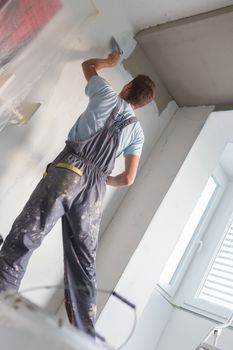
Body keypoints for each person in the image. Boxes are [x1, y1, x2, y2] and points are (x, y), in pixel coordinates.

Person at [0, 50, 156, 335]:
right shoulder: (137, 133)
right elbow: (129, 178)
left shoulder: (107, 93)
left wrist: (109, 62)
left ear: (129, 88)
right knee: (84, 262)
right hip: (94, 192)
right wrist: (101, 180)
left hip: (69, 170)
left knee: (27, 236)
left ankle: (2, 296)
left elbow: (88, 65)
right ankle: (85, 334)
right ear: (142, 105)